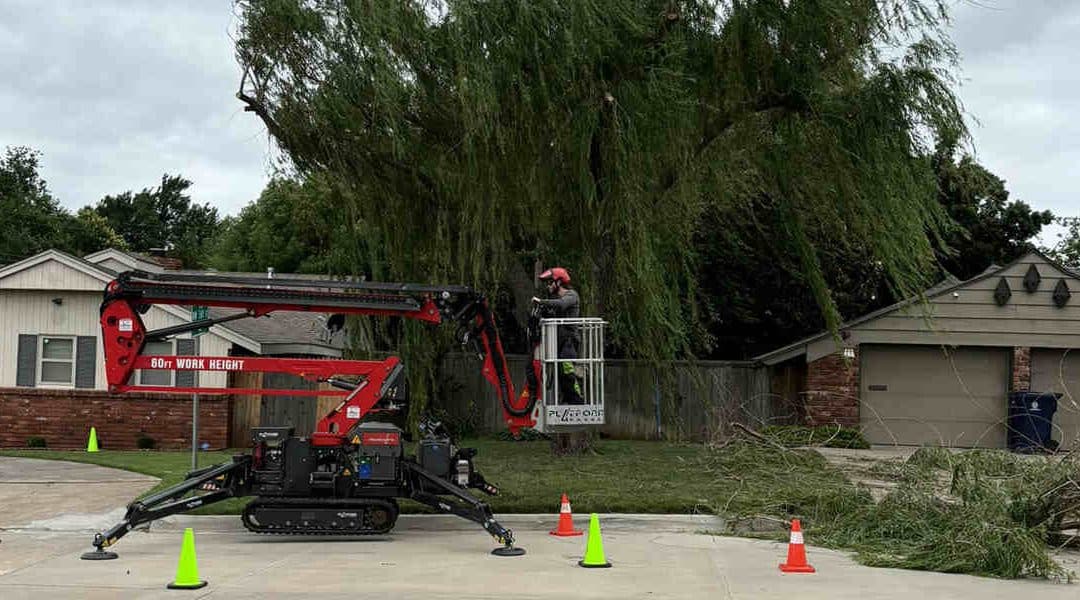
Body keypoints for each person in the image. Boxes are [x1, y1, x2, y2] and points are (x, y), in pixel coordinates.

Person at [532, 267, 584, 405]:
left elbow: (561, 305)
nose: (548, 286)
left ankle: (578, 403)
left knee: (567, 373)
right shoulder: (555, 300)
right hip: (559, 343)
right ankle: (566, 402)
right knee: (559, 376)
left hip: (569, 342)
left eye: (550, 282)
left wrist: (542, 302)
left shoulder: (571, 295)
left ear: (559, 282)